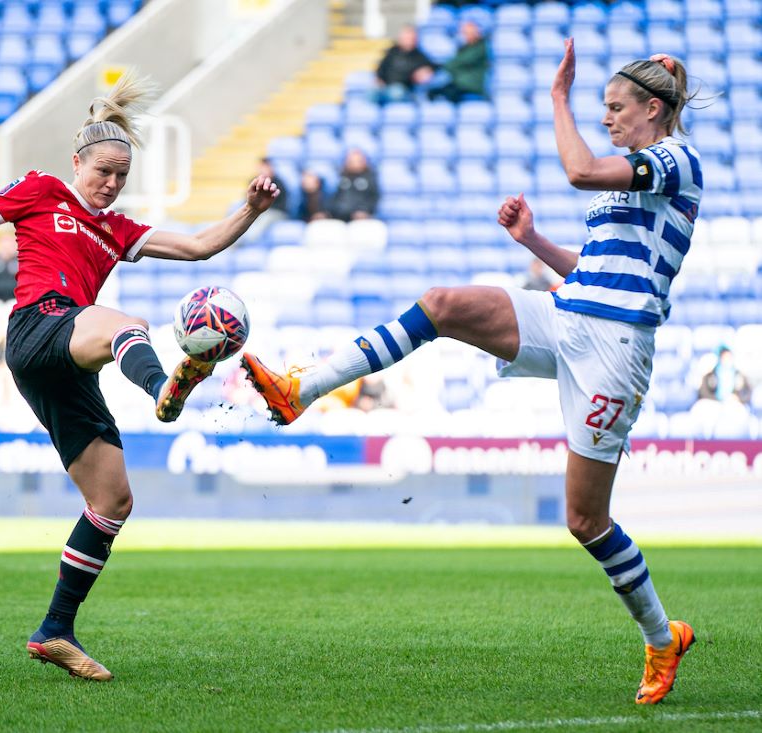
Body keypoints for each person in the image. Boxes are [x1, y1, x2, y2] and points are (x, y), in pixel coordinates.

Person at [242, 42, 699, 705]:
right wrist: (534, 244)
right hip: (569, 313)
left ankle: (662, 636)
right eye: (600, 107)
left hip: (615, 349)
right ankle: (301, 389)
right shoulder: (636, 176)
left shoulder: (673, 159)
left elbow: (578, 171)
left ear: (652, 110)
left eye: (615, 107)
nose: (606, 118)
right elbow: (595, 270)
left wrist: (557, 96)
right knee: (442, 304)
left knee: (584, 519)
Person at [0, 72, 279, 681]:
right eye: (102, 171)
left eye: (121, 177)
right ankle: (163, 386)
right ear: (77, 162)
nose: (110, 184)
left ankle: (55, 629)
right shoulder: (41, 190)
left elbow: (200, 247)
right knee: (125, 323)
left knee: (112, 501)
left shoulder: (119, 230)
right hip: (36, 326)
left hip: (62, 363)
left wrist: (250, 210)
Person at [427, 20, 490, 102]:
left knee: (447, 93)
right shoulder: (464, 47)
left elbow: (458, 62)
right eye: (464, 33)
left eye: (468, 32)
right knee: (433, 92)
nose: (465, 35)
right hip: (459, 84)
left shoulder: (480, 47)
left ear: (477, 32)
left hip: (471, 86)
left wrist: (435, 67)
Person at [374, 25, 435, 104]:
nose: (409, 40)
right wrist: (379, 79)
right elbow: (381, 68)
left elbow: (433, 66)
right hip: (385, 86)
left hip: (404, 89)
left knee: (396, 92)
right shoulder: (392, 52)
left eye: (411, 38)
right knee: (372, 94)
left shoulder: (419, 56)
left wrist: (427, 71)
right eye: (406, 37)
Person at [327, 148, 380, 221]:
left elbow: (373, 198)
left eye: (358, 161)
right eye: (351, 161)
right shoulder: (338, 177)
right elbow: (331, 198)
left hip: (363, 218)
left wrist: (364, 211)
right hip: (338, 218)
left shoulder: (370, 178)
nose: (354, 163)